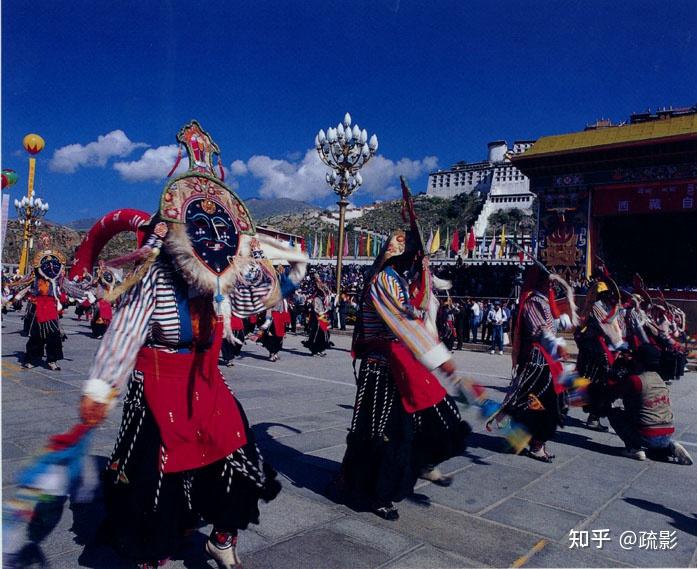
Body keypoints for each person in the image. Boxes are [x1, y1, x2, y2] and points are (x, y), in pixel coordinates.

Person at [78, 122, 307, 568]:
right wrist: (100, 388)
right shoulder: (157, 274)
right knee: (155, 475)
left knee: (235, 451)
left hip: (206, 379)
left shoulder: (223, 274)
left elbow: (254, 297)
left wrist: (291, 264)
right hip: (160, 379)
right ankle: (152, 551)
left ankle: (222, 538)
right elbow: (125, 331)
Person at [339, 218, 470, 521]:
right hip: (382, 372)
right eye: (415, 255)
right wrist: (439, 357)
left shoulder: (397, 280)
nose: (418, 260)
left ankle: (415, 466)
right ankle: (375, 491)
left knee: (427, 424)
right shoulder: (384, 279)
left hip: (402, 367)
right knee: (386, 434)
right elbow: (402, 322)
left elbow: (415, 314)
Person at [498, 266, 575, 462]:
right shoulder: (533, 301)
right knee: (542, 401)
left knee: (551, 400)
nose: (552, 285)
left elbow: (549, 326)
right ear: (539, 281)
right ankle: (534, 442)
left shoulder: (544, 302)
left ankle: (533, 440)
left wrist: (562, 323)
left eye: (552, 282)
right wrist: (557, 344)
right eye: (549, 281)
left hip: (548, 358)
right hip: (538, 359)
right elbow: (540, 330)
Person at [604, 345, 692, 464]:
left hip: (647, 435)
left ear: (639, 360)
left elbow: (615, 392)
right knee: (652, 432)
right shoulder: (660, 378)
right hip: (667, 432)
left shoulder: (636, 380)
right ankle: (670, 446)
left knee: (613, 412)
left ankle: (633, 448)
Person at [22, 245, 67, 371]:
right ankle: (31, 359)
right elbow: (23, 285)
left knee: (54, 334)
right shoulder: (35, 277)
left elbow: (69, 287)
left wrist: (82, 293)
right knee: (37, 335)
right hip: (39, 308)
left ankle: (52, 360)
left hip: (51, 308)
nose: (50, 266)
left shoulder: (57, 278)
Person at [302, 275, 331, 356]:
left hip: (322, 317)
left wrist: (326, 309)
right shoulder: (316, 299)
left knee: (325, 333)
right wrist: (322, 313)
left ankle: (321, 349)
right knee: (317, 334)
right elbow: (316, 310)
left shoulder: (322, 300)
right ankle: (315, 350)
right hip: (318, 318)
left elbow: (327, 307)